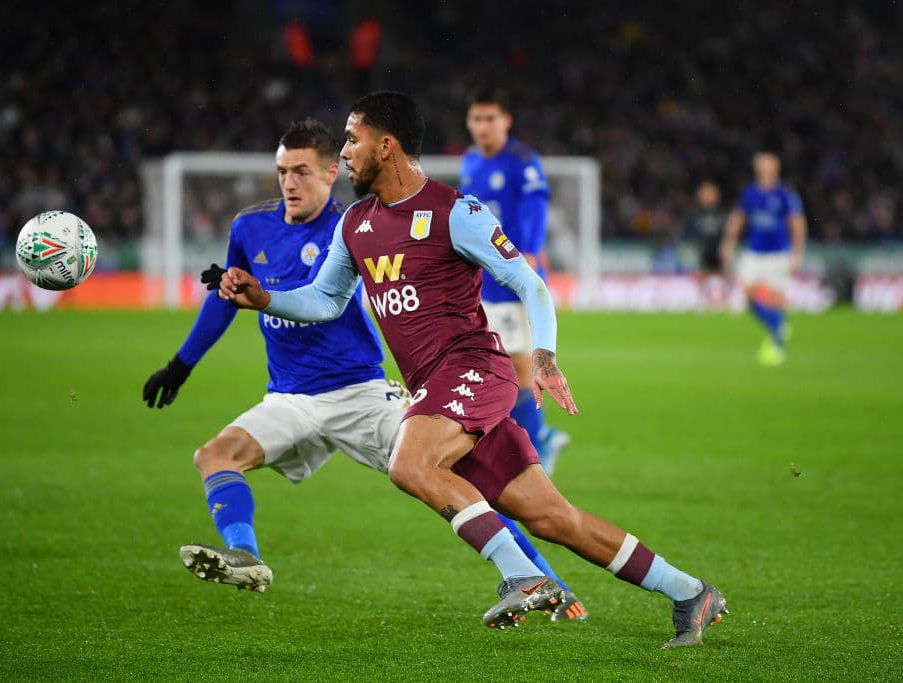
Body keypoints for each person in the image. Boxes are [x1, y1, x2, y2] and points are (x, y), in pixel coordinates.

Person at [219, 91, 727, 646]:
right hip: (438, 390)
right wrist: (265, 297)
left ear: (385, 146)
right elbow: (323, 301)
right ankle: (690, 592)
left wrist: (545, 354)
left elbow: (530, 284)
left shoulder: (456, 212)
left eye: (351, 139)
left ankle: (525, 576)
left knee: (409, 464)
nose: (343, 153)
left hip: (474, 371)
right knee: (554, 519)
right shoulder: (356, 226)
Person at [142, 118, 585, 620]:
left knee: (469, 478)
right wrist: (181, 364)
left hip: (360, 392)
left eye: (302, 172)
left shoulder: (356, 224)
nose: (289, 182)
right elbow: (228, 300)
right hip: (289, 396)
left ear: (332, 173)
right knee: (214, 455)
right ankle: (244, 554)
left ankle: (548, 581)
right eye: (282, 171)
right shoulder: (249, 227)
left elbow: (324, 298)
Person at [459, 87, 569, 476]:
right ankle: (541, 438)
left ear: (506, 120)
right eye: (477, 118)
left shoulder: (522, 160)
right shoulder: (471, 162)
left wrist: (530, 251)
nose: (483, 126)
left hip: (512, 281)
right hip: (483, 283)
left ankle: (535, 452)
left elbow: (536, 207)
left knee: (520, 369)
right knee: (498, 368)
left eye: (491, 118)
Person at [719, 150, 807, 366]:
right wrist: (728, 243)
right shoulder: (749, 193)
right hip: (754, 252)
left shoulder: (785, 194)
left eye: (767, 165)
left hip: (778, 253)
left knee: (776, 299)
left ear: (775, 168)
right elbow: (738, 218)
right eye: (760, 165)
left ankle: (777, 344)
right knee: (747, 295)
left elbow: (797, 223)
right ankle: (777, 326)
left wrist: (797, 252)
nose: (763, 168)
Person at [684, 180, 729, 310]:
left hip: (718, 249)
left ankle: (723, 300)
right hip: (702, 250)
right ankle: (704, 301)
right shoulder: (694, 214)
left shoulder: (721, 213)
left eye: (710, 193)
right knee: (702, 276)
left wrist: (726, 247)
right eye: (704, 193)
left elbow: (728, 232)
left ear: (716, 195)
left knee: (722, 276)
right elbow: (689, 234)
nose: (707, 196)